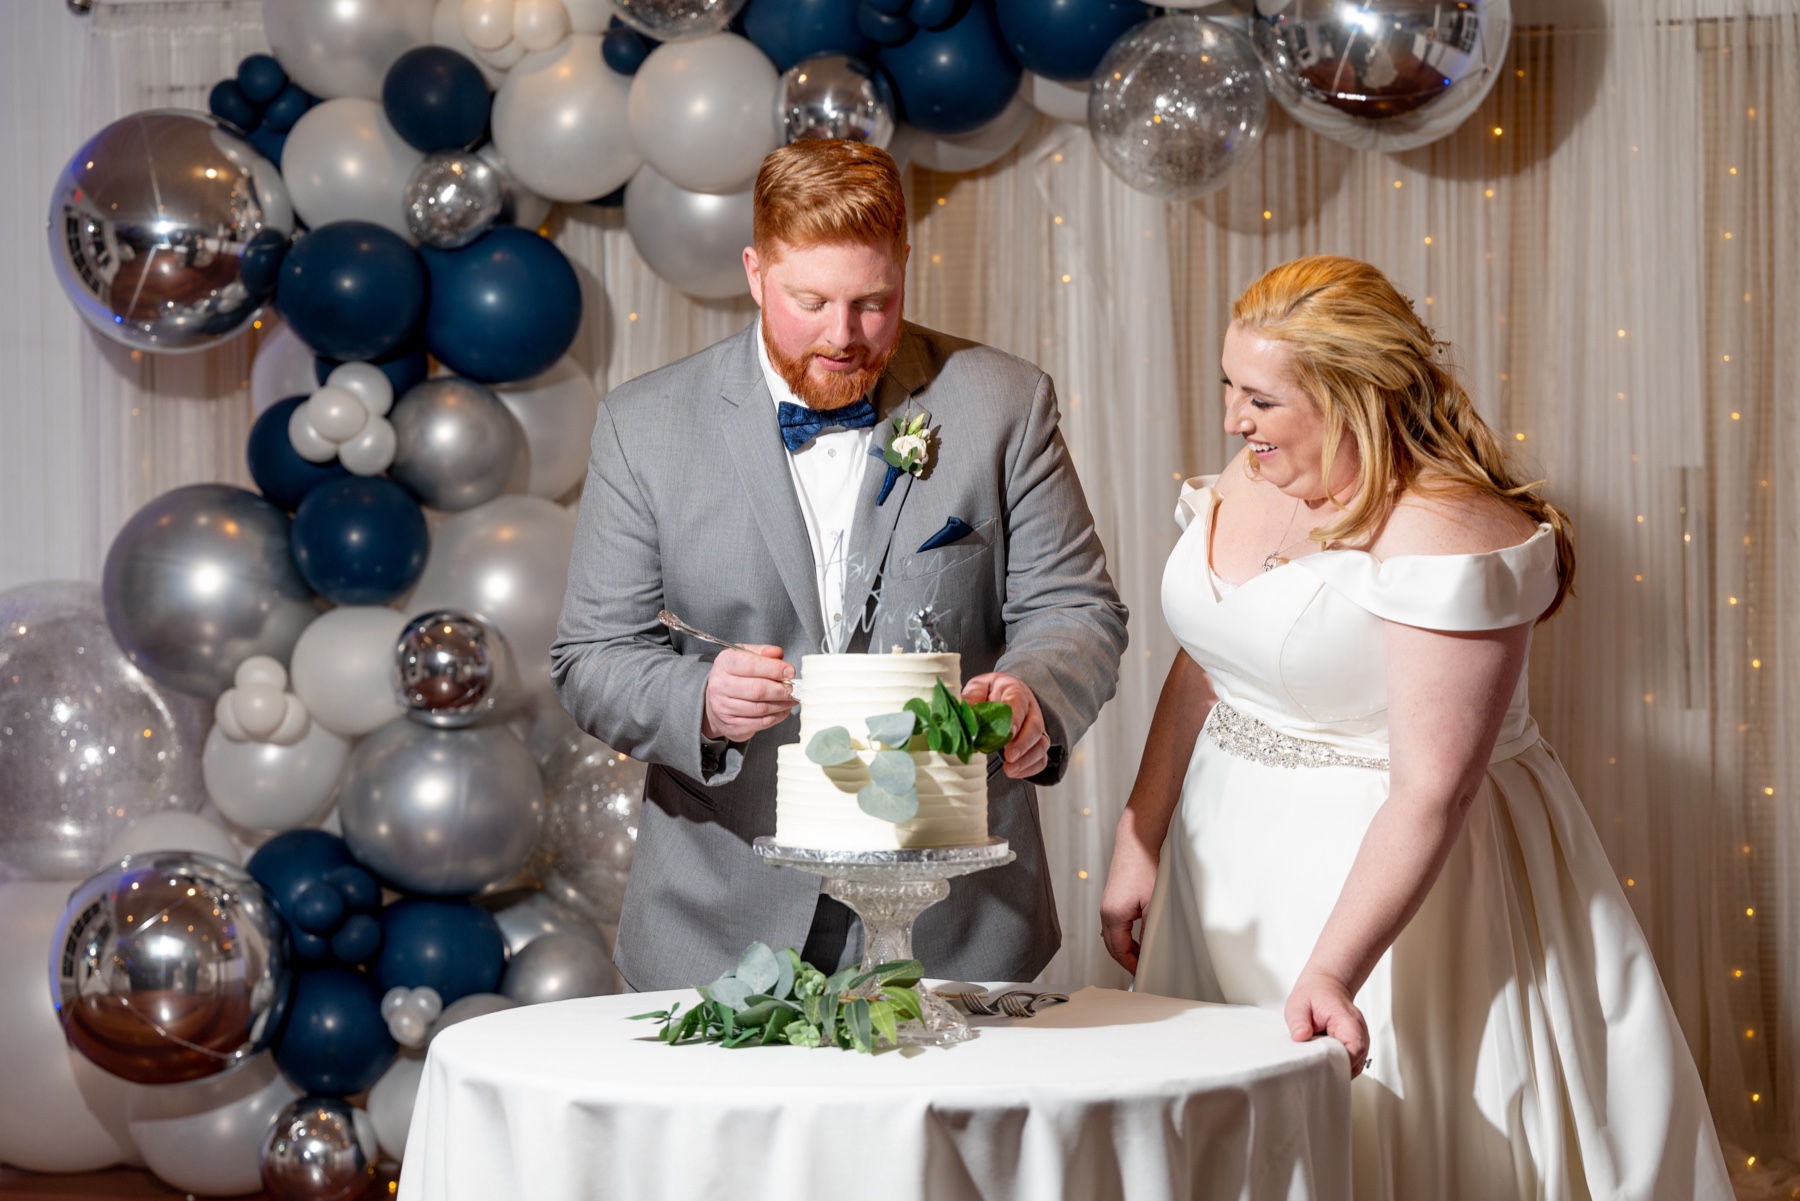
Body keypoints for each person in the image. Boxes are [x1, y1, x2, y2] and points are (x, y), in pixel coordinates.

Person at [1101, 256, 1731, 1199]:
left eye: (1263, 399)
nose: (1234, 419)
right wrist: (1139, 834)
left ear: (1354, 396)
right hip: (1223, 860)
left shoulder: (1448, 530)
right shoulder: (1254, 468)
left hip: (1393, 897)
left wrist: (1332, 970)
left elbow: (1434, 786)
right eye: (1230, 385)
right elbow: (1208, 655)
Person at [552, 139, 1128, 992]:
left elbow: (1077, 608)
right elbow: (592, 656)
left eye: (874, 302)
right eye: (810, 300)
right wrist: (699, 701)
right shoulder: (645, 427)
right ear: (755, 272)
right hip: (717, 928)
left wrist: (1034, 693)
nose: (844, 335)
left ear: (903, 266)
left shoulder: (1006, 403)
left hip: (959, 926)